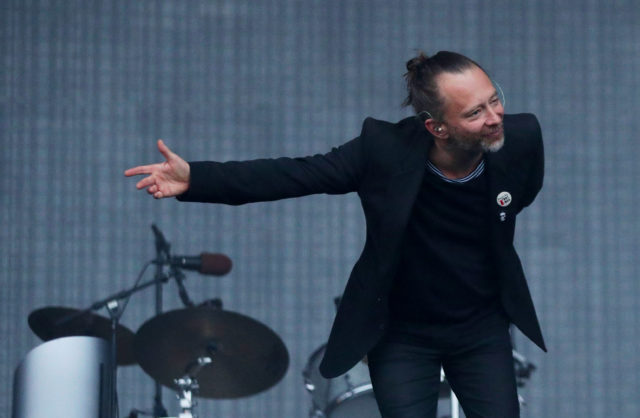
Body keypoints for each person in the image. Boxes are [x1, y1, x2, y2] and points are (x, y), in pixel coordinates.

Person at [125, 51, 545, 418]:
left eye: (495, 100)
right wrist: (196, 179)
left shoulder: (520, 139)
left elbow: (517, 195)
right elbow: (292, 174)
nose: (494, 118)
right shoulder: (383, 151)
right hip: (402, 335)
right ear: (436, 127)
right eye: (474, 113)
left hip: (480, 330)